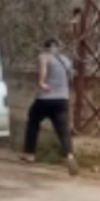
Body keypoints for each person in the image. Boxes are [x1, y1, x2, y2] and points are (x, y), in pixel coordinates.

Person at [22, 38, 79, 176]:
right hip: (62, 99)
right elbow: (72, 76)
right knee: (63, 130)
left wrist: (42, 83)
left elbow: (42, 75)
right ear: (58, 47)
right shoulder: (66, 60)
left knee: (33, 121)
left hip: (45, 99)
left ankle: (30, 154)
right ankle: (69, 155)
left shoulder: (44, 57)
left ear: (45, 47)